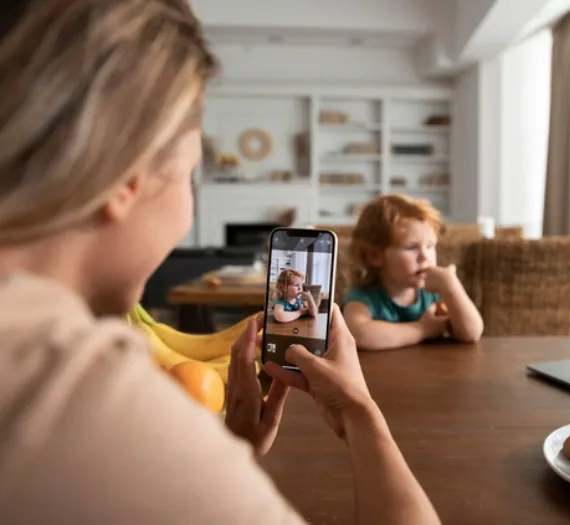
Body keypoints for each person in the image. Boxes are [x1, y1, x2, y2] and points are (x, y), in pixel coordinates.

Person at [0, 2, 440, 524]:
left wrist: (229, 461)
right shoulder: (79, 390)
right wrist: (363, 416)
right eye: (189, 175)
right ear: (126, 179)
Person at [343, 194, 484, 351]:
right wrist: (421, 329)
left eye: (430, 246)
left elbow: (471, 334)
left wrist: (452, 287)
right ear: (375, 256)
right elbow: (358, 334)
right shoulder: (365, 296)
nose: (425, 256)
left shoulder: (434, 294)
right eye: (411, 247)